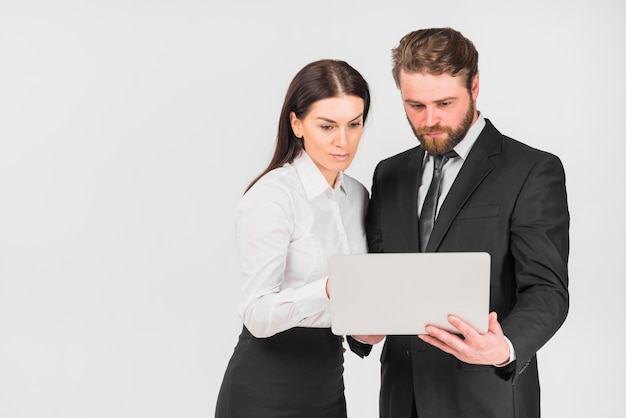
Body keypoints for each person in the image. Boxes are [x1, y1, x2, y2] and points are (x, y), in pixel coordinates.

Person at [365, 27, 569, 417]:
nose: (430, 120)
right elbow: (381, 275)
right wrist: (362, 329)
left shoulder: (532, 170)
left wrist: (504, 346)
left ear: (474, 85)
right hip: (400, 400)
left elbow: (547, 290)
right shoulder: (388, 174)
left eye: (444, 102)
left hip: (485, 397)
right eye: (415, 106)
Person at [215, 59, 379, 418]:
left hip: (328, 384)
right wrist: (328, 289)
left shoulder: (358, 196)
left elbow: (348, 305)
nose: (344, 140)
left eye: (354, 124)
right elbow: (256, 313)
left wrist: (364, 330)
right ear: (297, 123)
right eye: (327, 126)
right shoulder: (274, 196)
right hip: (265, 387)